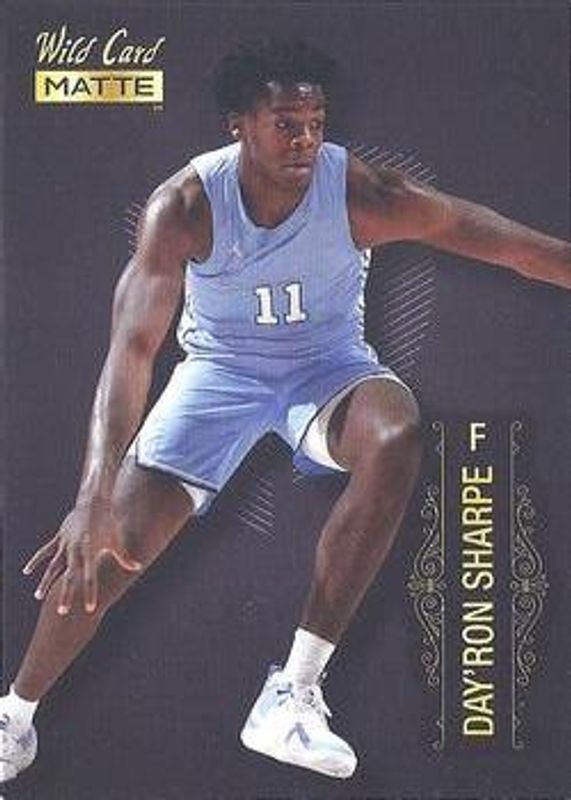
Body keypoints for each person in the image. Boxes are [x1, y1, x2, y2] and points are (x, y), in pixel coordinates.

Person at [1, 38, 569, 785]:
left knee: (395, 429)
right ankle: (15, 716)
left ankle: (292, 693)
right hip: (219, 374)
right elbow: (131, 350)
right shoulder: (186, 205)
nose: (305, 139)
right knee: (110, 552)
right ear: (238, 123)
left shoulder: (362, 193)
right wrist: (92, 496)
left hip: (327, 368)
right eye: (285, 123)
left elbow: (505, 243)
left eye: (315, 122)